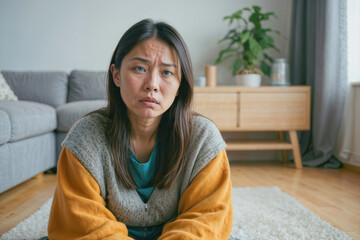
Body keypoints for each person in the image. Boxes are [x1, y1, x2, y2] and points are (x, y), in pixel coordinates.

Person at [48, 18, 233, 240]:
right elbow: (82, 223)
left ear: (180, 84)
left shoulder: (204, 138)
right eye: (139, 68)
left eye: (167, 73)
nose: (152, 84)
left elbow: (207, 219)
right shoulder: (85, 137)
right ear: (116, 75)